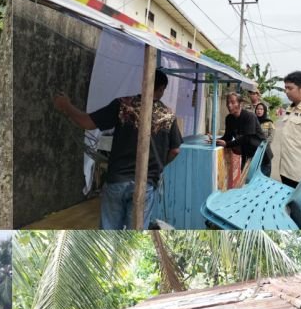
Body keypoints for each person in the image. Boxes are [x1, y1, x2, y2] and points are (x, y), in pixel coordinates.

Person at [52, 70, 182, 229]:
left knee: (109, 236)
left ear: (143, 83)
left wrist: (66, 106)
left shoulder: (123, 105)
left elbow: (86, 122)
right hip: (146, 183)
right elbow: (175, 150)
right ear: (162, 89)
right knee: (135, 240)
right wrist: (159, 166)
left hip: (117, 180)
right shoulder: (169, 116)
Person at [209, 92, 272, 177]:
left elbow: (247, 138)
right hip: (248, 156)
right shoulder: (229, 118)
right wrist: (215, 141)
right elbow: (227, 136)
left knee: (261, 186)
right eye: (228, 102)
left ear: (240, 104)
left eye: (232, 102)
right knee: (247, 185)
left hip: (261, 157)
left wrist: (227, 144)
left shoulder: (250, 116)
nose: (229, 105)